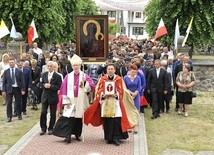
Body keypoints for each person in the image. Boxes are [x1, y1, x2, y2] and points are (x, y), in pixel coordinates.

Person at [84, 64, 140, 146]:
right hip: (106, 102)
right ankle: (108, 138)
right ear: (106, 70)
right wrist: (103, 95)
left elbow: (121, 91)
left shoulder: (118, 79)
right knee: (107, 121)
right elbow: (98, 90)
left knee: (116, 121)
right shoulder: (102, 79)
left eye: (112, 69)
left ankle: (116, 138)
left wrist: (116, 94)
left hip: (115, 103)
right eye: (109, 69)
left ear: (114, 70)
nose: (110, 70)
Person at [53, 54, 95, 143]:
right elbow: (63, 89)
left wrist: (84, 84)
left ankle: (77, 134)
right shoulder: (68, 76)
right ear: (72, 66)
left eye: (77, 65)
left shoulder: (84, 76)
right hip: (70, 100)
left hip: (80, 100)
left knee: (78, 118)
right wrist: (66, 101)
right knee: (69, 118)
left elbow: (91, 86)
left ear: (80, 66)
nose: (76, 67)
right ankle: (67, 136)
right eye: (74, 65)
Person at [39, 61, 62, 135]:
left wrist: (51, 86)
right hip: (45, 96)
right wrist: (44, 85)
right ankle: (43, 128)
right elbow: (40, 83)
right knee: (43, 112)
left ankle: (51, 128)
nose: (49, 67)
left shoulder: (57, 76)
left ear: (54, 67)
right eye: (48, 66)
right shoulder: (44, 74)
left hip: (53, 96)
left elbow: (59, 86)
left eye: (51, 66)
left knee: (53, 113)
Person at [2, 57, 25, 122]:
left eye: (12, 62)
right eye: (10, 62)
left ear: (14, 63)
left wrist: (23, 89)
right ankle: (9, 117)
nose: (11, 63)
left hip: (17, 88)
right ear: (8, 63)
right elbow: (4, 82)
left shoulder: (18, 71)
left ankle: (19, 114)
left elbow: (22, 80)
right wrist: (3, 90)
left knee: (18, 102)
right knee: (9, 103)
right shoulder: (6, 71)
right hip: (9, 89)